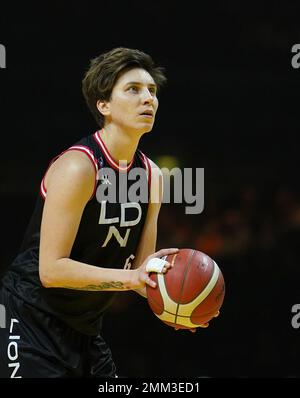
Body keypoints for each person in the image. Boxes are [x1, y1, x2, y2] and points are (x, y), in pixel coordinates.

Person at [0, 47, 183, 378]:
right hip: (28, 320)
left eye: (152, 91)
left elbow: (141, 274)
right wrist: (132, 278)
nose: (149, 99)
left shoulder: (153, 176)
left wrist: (178, 304)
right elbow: (52, 271)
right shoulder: (78, 167)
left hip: (84, 329)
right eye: (134, 89)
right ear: (104, 105)